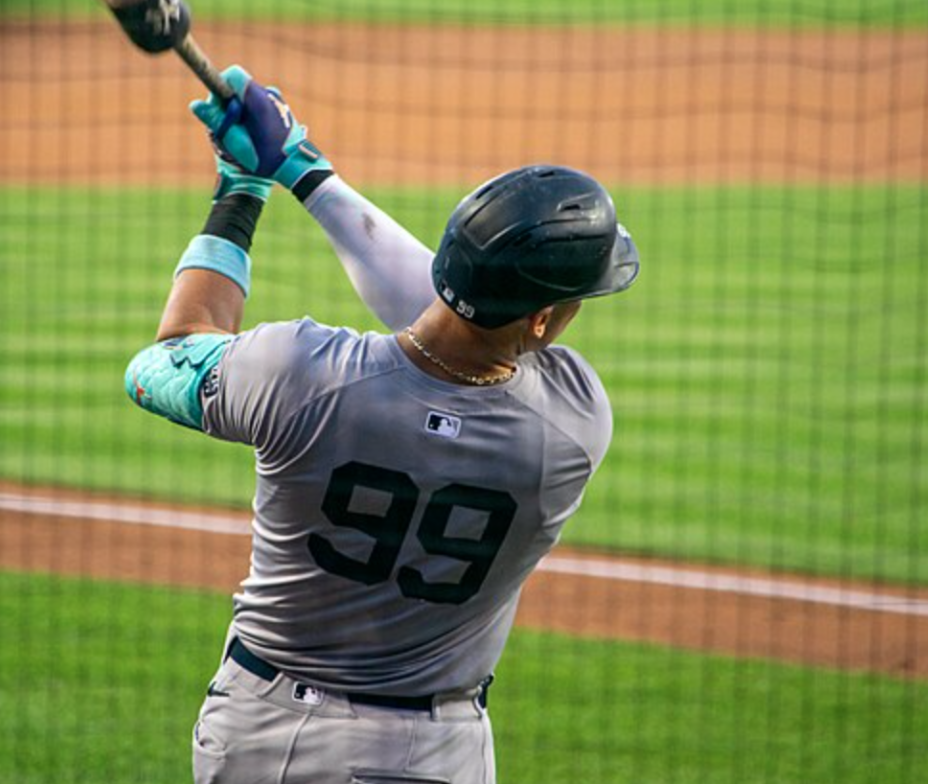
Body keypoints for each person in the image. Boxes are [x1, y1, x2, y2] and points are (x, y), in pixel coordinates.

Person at [125, 66, 640, 784]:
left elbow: (164, 360)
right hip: (439, 752)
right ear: (546, 318)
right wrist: (304, 171)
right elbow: (454, 317)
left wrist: (247, 186)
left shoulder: (301, 375)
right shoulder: (570, 429)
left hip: (264, 737)